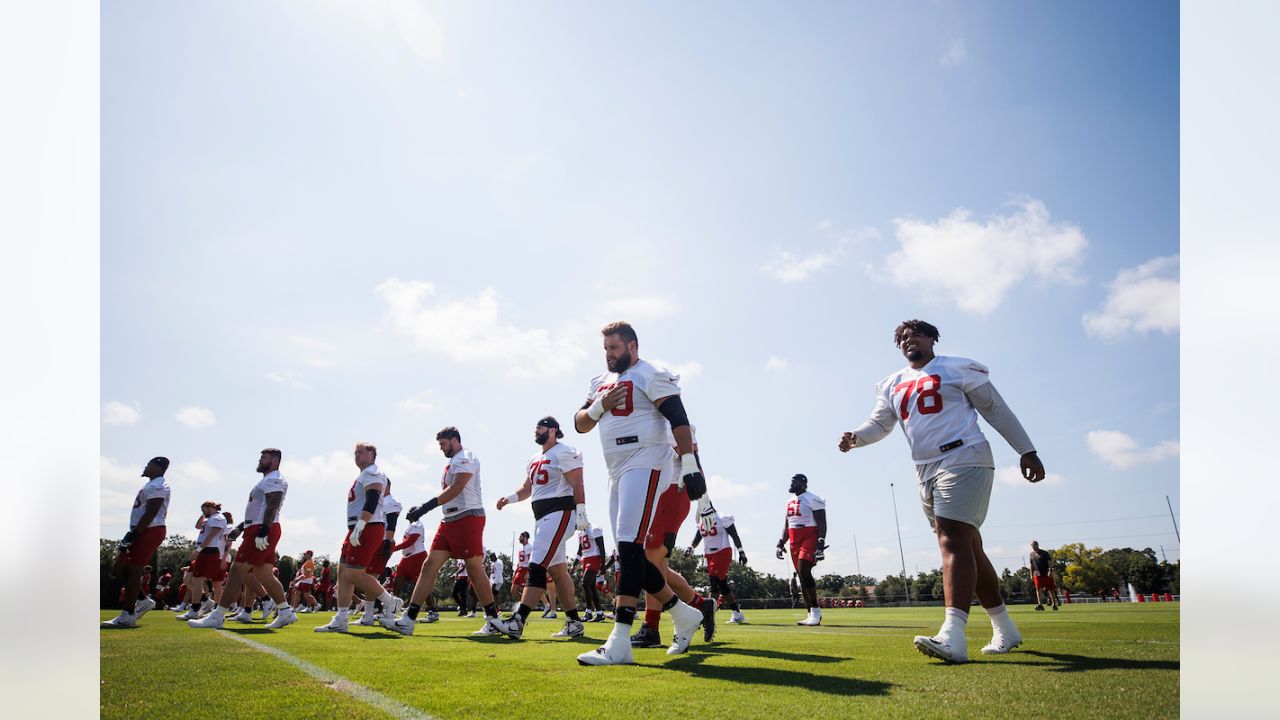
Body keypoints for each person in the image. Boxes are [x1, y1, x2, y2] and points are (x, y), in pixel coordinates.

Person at [838, 319, 1045, 663]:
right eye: (901, 338)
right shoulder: (891, 383)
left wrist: (1026, 449)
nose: (908, 341)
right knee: (969, 547)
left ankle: (952, 635)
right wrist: (856, 437)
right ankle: (1005, 628)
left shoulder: (956, 367)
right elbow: (880, 424)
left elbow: (994, 409)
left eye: (915, 334)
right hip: (924, 467)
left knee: (951, 539)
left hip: (964, 455)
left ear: (932, 338)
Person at [572, 321, 714, 665]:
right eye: (605, 348)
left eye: (614, 348)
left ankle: (620, 640)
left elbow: (679, 418)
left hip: (647, 457)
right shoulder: (600, 382)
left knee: (628, 545)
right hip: (615, 466)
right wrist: (598, 406)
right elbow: (580, 423)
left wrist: (691, 466)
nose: (608, 355)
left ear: (632, 346)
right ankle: (684, 613)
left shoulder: (651, 373)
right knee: (630, 552)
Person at [384, 427, 503, 635]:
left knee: (474, 568)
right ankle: (408, 619)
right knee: (429, 565)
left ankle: (493, 619)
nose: (441, 449)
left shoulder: (465, 456)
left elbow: (457, 488)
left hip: (468, 517)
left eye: (443, 444)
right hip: (449, 520)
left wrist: (426, 506)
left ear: (455, 440)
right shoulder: (453, 461)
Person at [491, 416, 590, 640]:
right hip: (543, 517)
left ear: (554, 430)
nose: (536, 430)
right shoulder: (535, 457)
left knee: (536, 565)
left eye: (541, 426)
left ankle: (518, 621)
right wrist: (508, 498)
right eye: (535, 427)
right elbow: (528, 488)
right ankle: (574, 622)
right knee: (557, 571)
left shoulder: (564, 451)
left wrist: (581, 509)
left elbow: (577, 482)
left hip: (560, 512)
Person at [631, 426, 717, 649]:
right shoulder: (648, 419)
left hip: (670, 492)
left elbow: (692, 459)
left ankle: (651, 627)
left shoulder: (671, 422)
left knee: (650, 561)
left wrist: (704, 498)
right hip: (658, 493)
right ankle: (701, 604)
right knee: (659, 568)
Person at [190, 449, 296, 630]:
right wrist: (240, 528)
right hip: (258, 527)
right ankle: (285, 611)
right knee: (264, 574)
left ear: (275, 460)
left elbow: (273, 504)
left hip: (262, 528)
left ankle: (218, 615)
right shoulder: (266, 480)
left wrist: (263, 530)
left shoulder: (273, 478)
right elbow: (258, 509)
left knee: (237, 570)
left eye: (264, 458)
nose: (260, 460)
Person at [314, 442, 405, 632]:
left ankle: (390, 602)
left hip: (368, 526)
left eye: (360, 452)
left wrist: (361, 525)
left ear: (372, 454)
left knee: (355, 573)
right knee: (343, 572)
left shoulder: (373, 471)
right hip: (358, 527)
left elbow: (372, 499)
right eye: (355, 453)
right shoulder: (363, 474)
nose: (356, 456)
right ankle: (341, 618)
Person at [103, 457, 172, 628]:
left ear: (158, 467)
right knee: (120, 567)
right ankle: (142, 600)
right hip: (143, 529)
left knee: (134, 570)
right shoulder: (151, 484)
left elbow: (151, 512)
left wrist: (133, 534)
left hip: (149, 529)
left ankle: (128, 614)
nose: (146, 467)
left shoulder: (158, 485)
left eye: (150, 465)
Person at [776, 474, 827, 626]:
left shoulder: (813, 498)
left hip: (809, 535)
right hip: (794, 538)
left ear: (804, 483)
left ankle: (816, 611)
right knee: (801, 575)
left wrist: (821, 541)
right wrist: (780, 542)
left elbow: (822, 522)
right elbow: (787, 525)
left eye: (796, 481)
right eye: (791, 480)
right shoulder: (789, 501)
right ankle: (810, 613)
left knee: (804, 569)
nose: (792, 483)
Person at [688, 510, 748, 624]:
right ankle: (737, 613)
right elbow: (697, 538)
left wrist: (741, 551)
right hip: (709, 555)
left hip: (722, 551)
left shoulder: (721, 518)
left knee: (713, 581)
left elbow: (734, 535)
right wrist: (690, 547)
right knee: (722, 584)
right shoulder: (702, 520)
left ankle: (707, 614)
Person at [355, 480, 402, 625]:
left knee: (370, 577)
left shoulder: (391, 501)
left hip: (382, 542)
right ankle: (369, 614)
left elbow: (392, 523)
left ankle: (389, 603)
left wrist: (388, 542)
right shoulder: (382, 502)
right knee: (369, 578)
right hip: (375, 541)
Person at [176, 501, 228, 620]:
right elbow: (198, 526)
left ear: (210, 507)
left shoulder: (218, 517)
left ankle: (194, 610)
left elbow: (212, 534)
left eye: (204, 509)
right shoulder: (211, 518)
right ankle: (205, 600)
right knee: (189, 579)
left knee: (197, 580)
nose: (202, 512)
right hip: (204, 550)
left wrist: (199, 549)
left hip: (209, 550)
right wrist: (204, 514)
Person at [390, 514, 433, 619]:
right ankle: (391, 609)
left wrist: (392, 549)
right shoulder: (411, 526)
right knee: (397, 582)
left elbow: (411, 541)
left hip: (417, 556)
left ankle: (433, 610)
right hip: (406, 558)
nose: (408, 514)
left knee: (420, 584)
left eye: (411, 512)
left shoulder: (417, 524)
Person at [576, 523, 608, 621]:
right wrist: (575, 563)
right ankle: (599, 613)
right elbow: (580, 549)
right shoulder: (580, 533)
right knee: (591, 586)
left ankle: (588, 612)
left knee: (585, 583)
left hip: (594, 558)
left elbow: (602, 547)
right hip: (585, 559)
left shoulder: (594, 529)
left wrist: (603, 565)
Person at [1030, 541, 1060, 611]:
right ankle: (1040, 604)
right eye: (1032, 545)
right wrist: (1031, 574)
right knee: (1038, 589)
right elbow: (1031, 565)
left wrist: (1050, 571)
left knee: (1050, 589)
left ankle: (1054, 604)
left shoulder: (1044, 553)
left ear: (1037, 545)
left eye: (1035, 545)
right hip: (1037, 574)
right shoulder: (1031, 554)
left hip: (1046, 574)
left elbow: (1050, 562)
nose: (1034, 547)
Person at [512, 531, 531, 603]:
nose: (519, 538)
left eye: (521, 537)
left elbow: (530, 560)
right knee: (513, 591)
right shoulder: (521, 548)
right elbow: (520, 561)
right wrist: (515, 571)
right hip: (519, 569)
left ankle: (524, 606)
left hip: (525, 569)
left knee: (524, 589)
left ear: (525, 537)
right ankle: (523, 604)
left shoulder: (529, 547)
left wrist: (528, 572)